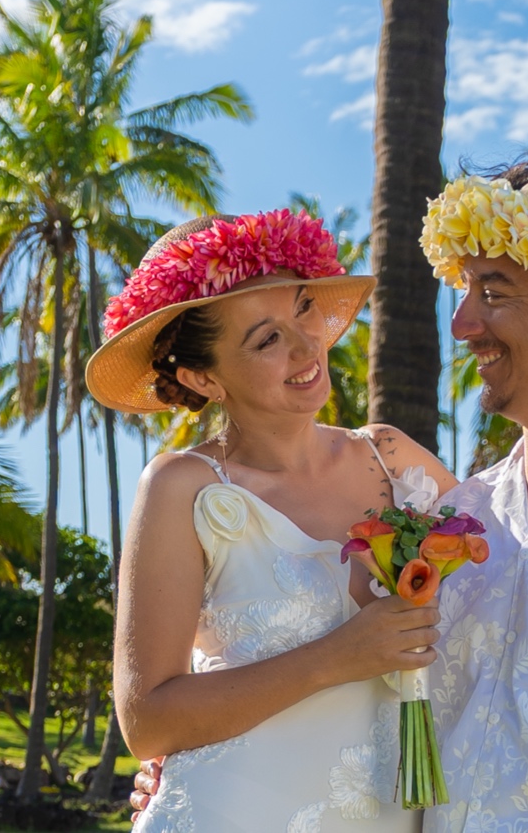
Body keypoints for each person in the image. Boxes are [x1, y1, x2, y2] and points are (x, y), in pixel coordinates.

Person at [133, 159, 528, 832]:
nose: (462, 323)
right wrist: (196, 770)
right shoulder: (460, 519)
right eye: (466, 290)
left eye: (493, 293)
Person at [90, 210, 457, 833]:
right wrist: (336, 657)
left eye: (304, 309)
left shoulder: (393, 459)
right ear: (202, 376)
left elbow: (511, 588)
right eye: (266, 340)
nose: (307, 345)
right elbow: (147, 720)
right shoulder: (184, 488)